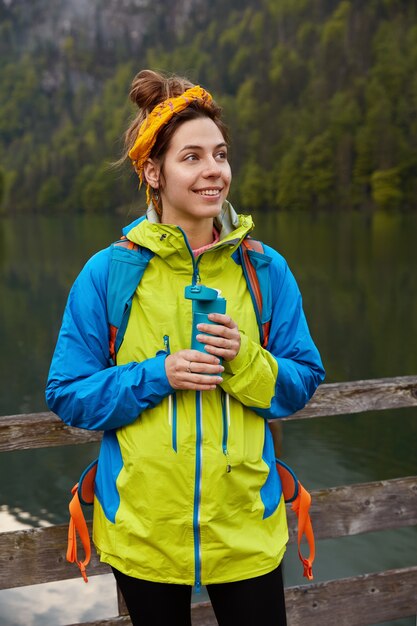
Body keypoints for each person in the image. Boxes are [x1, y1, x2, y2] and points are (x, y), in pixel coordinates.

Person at [46, 69, 325, 626]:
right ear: (154, 171)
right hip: (145, 535)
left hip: (246, 529)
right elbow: (68, 393)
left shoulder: (266, 270)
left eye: (219, 155)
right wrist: (159, 375)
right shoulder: (108, 274)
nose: (213, 171)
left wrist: (244, 359)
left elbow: (302, 381)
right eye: (191, 157)